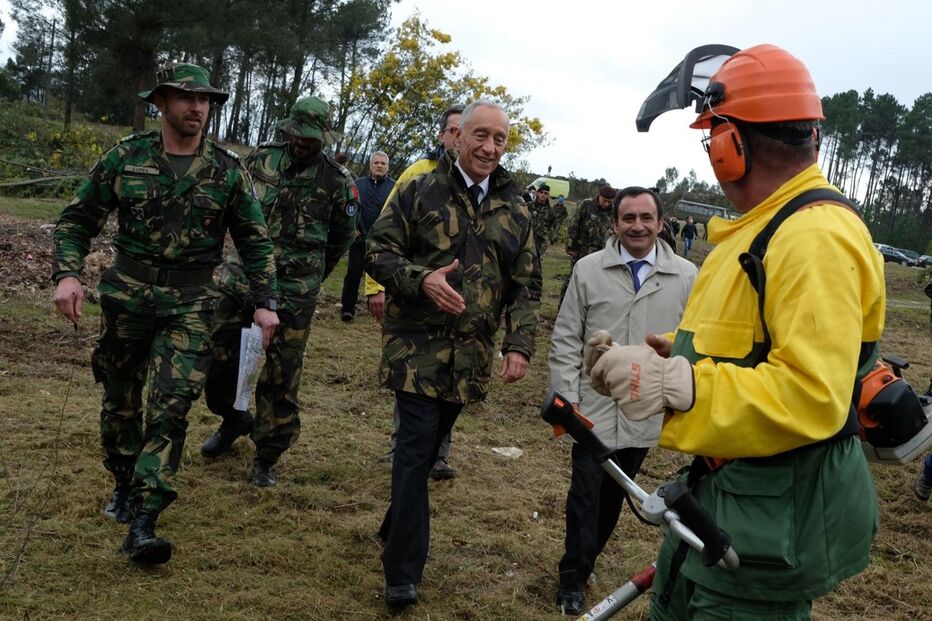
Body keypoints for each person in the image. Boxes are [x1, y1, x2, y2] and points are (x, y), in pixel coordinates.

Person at [587, 44, 884, 619]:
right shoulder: (759, 230)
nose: (711, 154)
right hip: (720, 506)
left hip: (767, 532)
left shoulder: (813, 239)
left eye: (711, 139)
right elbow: (759, 346)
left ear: (730, 147)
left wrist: (679, 385)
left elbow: (813, 395)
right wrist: (678, 357)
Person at [51, 62, 279, 565]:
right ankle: (124, 480)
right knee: (119, 400)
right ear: (161, 104)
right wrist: (67, 274)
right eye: (186, 98)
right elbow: (76, 220)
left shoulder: (227, 169)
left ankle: (146, 517)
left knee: (171, 404)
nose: (197, 108)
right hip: (128, 298)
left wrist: (265, 302)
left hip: (194, 303)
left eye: (205, 101)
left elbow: (255, 242)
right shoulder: (125, 158)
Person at [366, 100, 541, 608]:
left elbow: (527, 284)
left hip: (470, 355)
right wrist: (420, 280)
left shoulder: (516, 207)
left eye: (500, 139)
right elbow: (378, 250)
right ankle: (402, 573)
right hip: (415, 348)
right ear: (457, 136)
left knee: (431, 445)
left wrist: (519, 344)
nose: (489, 148)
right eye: (479, 136)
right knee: (416, 449)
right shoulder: (419, 189)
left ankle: (394, 525)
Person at [549, 186, 697, 615]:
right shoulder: (588, 270)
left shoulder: (687, 275)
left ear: (660, 222)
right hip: (591, 411)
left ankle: (586, 559)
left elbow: (695, 343)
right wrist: (567, 399)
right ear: (614, 224)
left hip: (644, 411)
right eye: (628, 218)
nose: (637, 226)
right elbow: (565, 336)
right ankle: (572, 578)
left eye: (645, 217)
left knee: (616, 496)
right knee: (584, 492)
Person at [200, 96, 358, 487]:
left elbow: (341, 240)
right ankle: (233, 418)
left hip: (293, 293)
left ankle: (267, 455)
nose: (302, 143)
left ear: (322, 138)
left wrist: (310, 277)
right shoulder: (260, 161)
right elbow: (233, 209)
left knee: (280, 376)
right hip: (241, 282)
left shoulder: (338, 182)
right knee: (217, 360)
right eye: (296, 135)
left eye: (310, 138)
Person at [374, 104, 466, 479]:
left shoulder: (485, 185)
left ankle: (438, 455)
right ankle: (403, 447)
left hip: (461, 315)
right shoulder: (418, 178)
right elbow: (383, 240)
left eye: (468, 130)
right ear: (443, 135)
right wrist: (375, 288)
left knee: (450, 387)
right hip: (416, 308)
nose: (461, 139)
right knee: (413, 382)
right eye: (454, 131)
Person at [340, 151, 394, 321]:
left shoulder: (395, 187)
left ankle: (384, 309)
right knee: (353, 274)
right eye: (376, 163)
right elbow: (348, 207)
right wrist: (352, 227)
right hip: (360, 239)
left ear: (387, 167)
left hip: (383, 242)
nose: (379, 166)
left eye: (382, 163)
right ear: (370, 165)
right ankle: (348, 309)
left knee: (385, 276)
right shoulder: (357, 185)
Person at [560, 184, 617, 303]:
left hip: (601, 253)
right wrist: (571, 246)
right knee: (574, 279)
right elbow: (574, 224)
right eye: (605, 201)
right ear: (599, 196)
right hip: (581, 250)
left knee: (595, 283)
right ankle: (563, 306)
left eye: (610, 202)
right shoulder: (586, 205)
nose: (607, 204)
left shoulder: (614, 212)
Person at [527, 182, 563, 258]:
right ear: (537, 193)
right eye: (541, 192)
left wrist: (550, 238)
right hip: (527, 238)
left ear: (548, 196)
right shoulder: (529, 206)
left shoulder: (551, 211)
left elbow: (554, 226)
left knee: (536, 262)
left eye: (546, 193)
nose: (543, 194)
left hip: (541, 241)